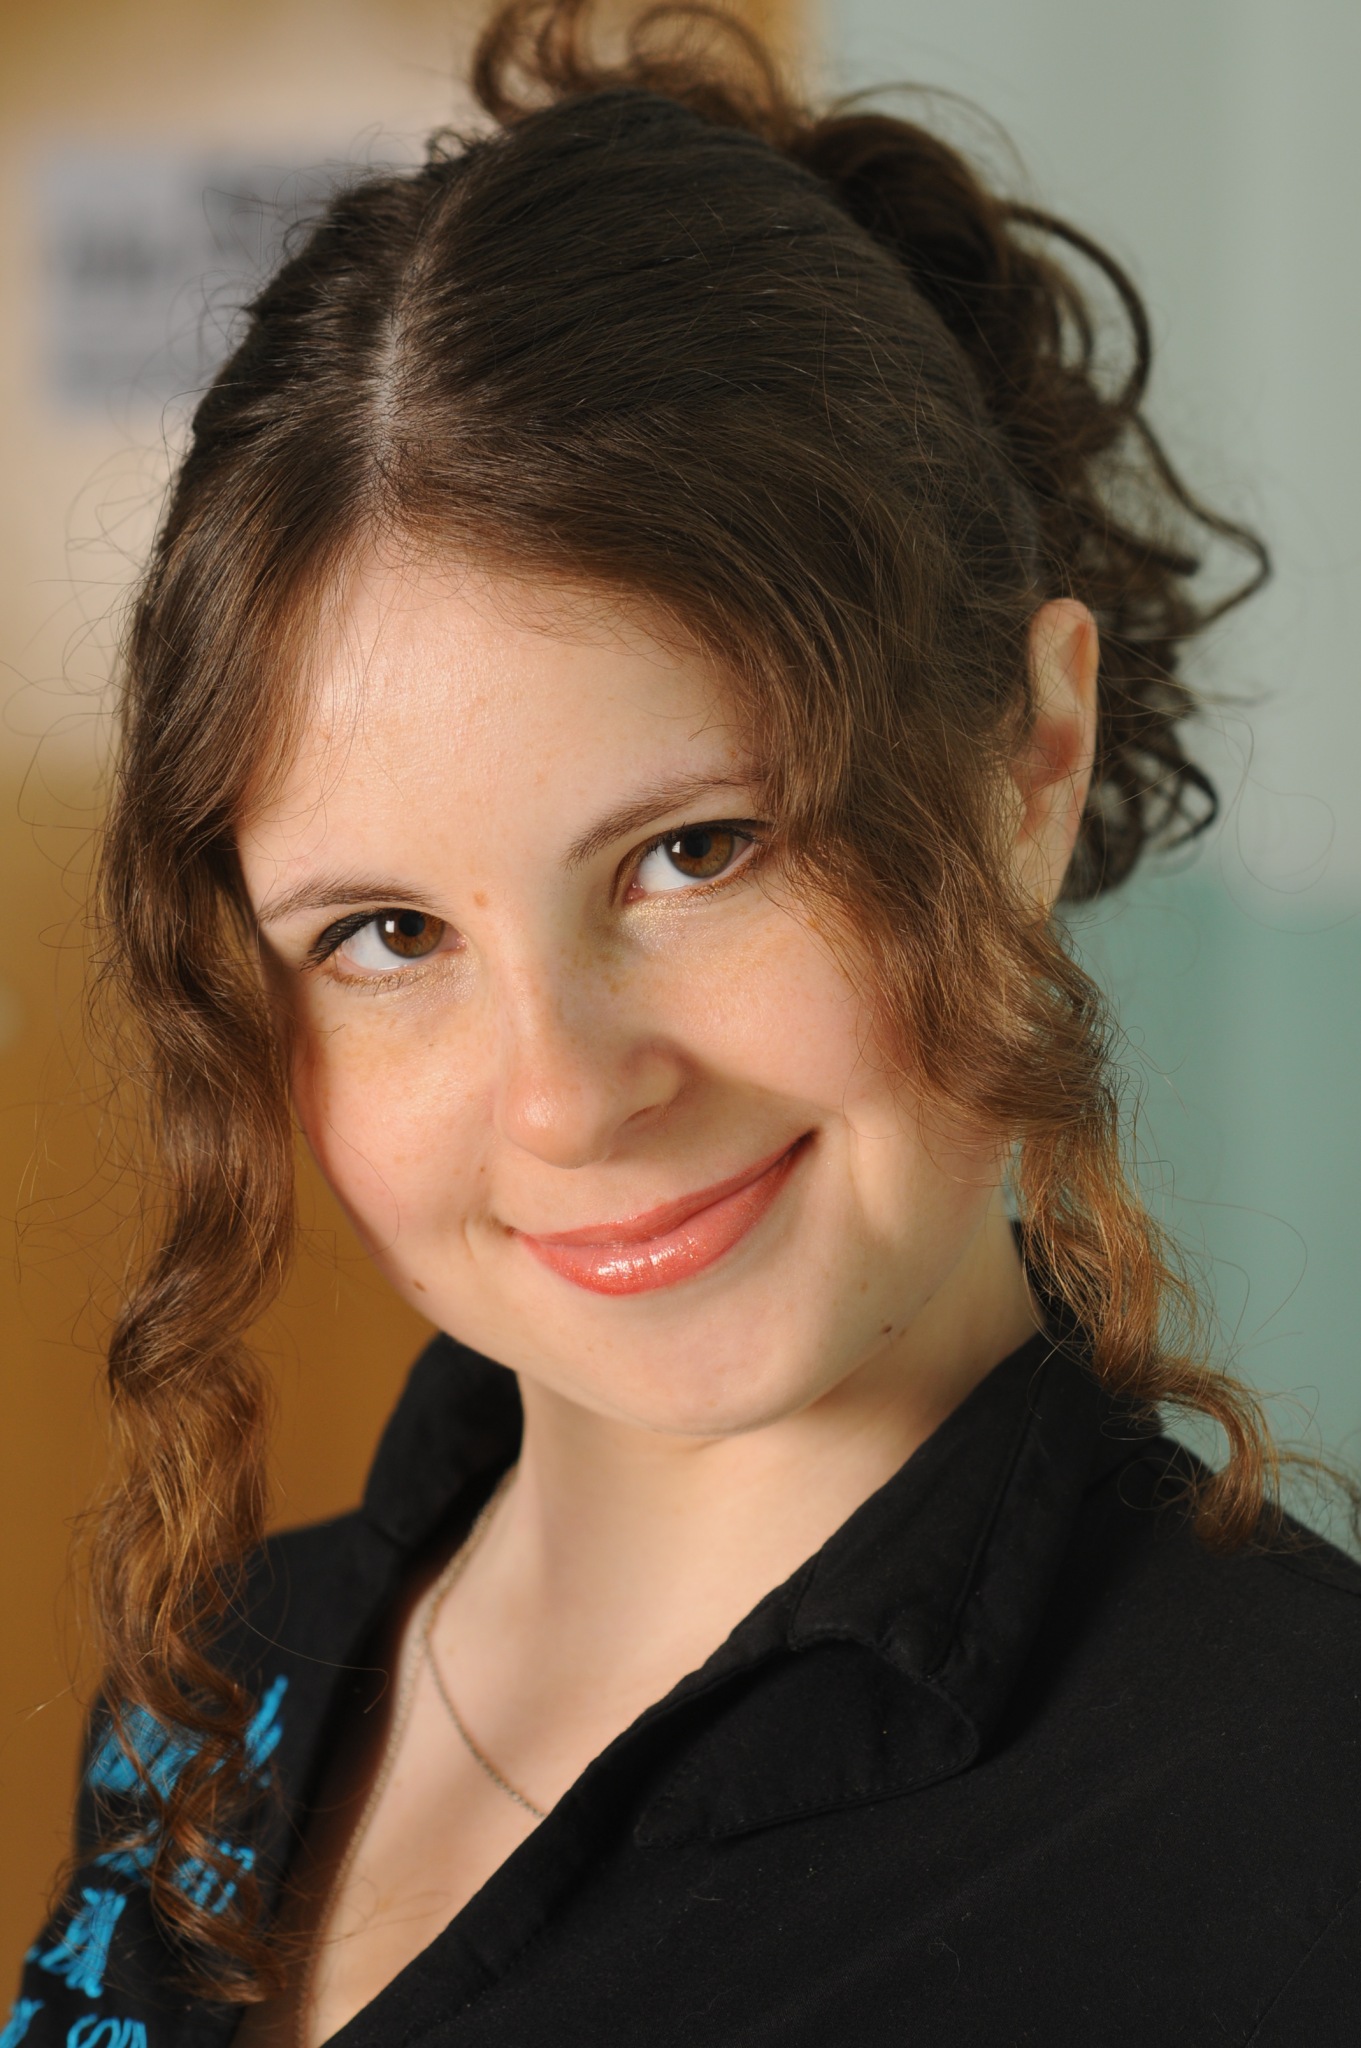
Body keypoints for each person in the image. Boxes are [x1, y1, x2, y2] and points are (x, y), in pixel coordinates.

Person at [9, 2, 1360, 2041]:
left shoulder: (1294, 1827)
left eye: (695, 851)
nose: (566, 1096)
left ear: (1030, 758)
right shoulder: (221, 1678)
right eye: (387, 931)